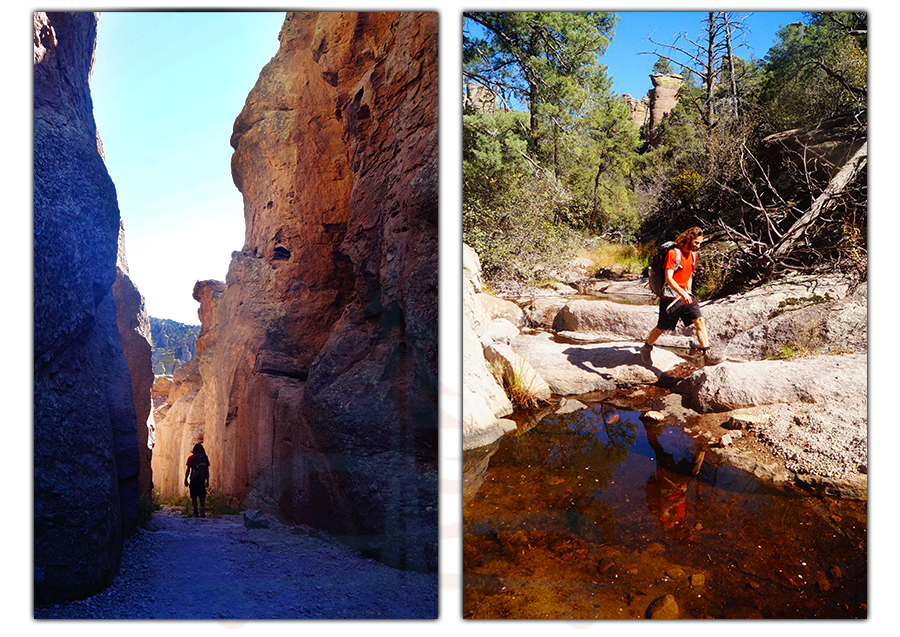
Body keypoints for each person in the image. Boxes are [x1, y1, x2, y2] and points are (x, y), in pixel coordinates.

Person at [640, 226, 721, 366]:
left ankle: (707, 353)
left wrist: (688, 291)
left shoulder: (694, 255)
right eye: (696, 242)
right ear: (688, 239)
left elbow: (689, 275)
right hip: (670, 298)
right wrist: (682, 293)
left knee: (699, 320)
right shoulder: (673, 254)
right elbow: (669, 278)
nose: (698, 246)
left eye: (700, 243)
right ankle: (646, 348)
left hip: (686, 296)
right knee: (661, 328)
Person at [184, 442, 210, 518]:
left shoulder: (191, 458)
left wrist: (186, 479)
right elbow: (207, 469)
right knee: (202, 494)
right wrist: (207, 480)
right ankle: (202, 506)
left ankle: (195, 511)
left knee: (194, 496)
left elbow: (188, 469)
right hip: (201, 479)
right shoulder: (205, 458)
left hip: (194, 479)